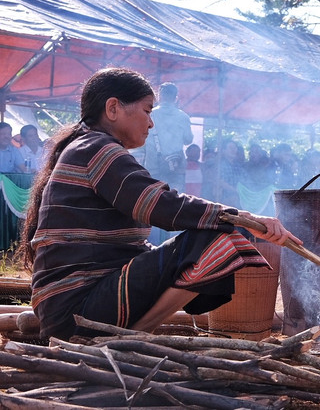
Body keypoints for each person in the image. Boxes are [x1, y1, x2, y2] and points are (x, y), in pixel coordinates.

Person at [16, 68, 300, 340]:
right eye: (147, 111)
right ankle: (124, 338)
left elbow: (129, 245)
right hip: (77, 307)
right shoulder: (96, 149)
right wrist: (243, 219)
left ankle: (124, 335)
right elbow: (159, 203)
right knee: (219, 241)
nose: (151, 123)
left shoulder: (87, 147)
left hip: (69, 308)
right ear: (113, 108)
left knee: (204, 243)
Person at [143, 83, 194, 192]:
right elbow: (188, 140)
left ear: (159, 96)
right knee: (176, 197)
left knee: (154, 198)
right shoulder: (183, 116)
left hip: (153, 165)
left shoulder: (150, 114)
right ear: (175, 98)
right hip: (176, 166)